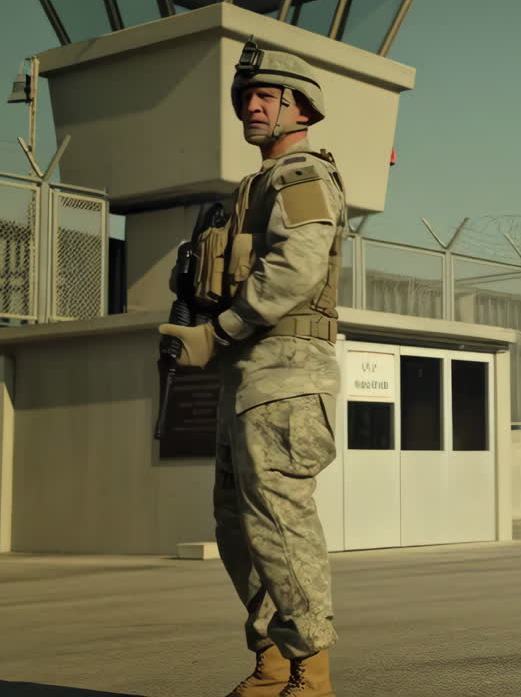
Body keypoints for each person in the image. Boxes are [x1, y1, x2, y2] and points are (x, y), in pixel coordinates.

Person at [159, 38, 345, 697]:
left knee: (279, 522)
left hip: (287, 369)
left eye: (266, 95)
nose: (253, 106)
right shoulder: (254, 187)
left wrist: (222, 330)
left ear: (301, 106)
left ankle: (311, 671)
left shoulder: (300, 175)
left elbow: (298, 267)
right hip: (250, 373)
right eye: (247, 97)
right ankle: (272, 660)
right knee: (239, 528)